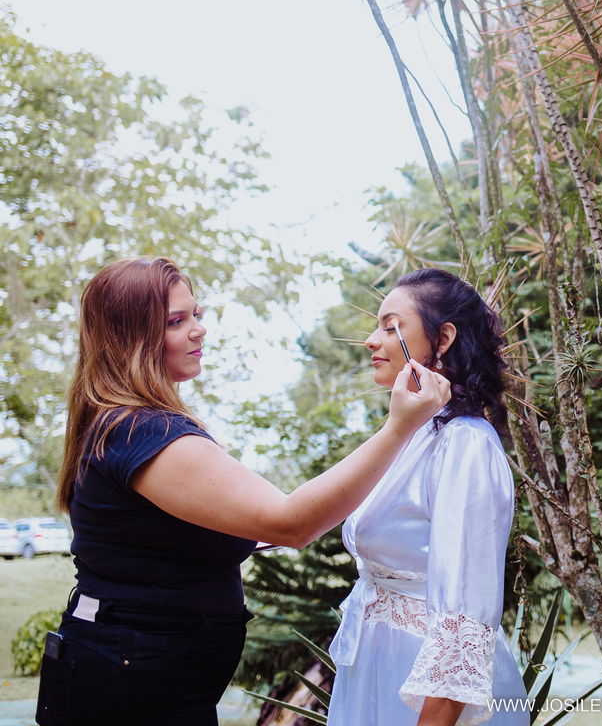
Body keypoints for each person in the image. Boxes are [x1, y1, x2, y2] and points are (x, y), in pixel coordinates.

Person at [36, 257, 450, 726]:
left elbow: (233, 524)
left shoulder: (126, 424)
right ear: (128, 338)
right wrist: (399, 428)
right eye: (176, 321)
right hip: (129, 691)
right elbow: (290, 522)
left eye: (196, 314)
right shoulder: (140, 432)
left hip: (142, 680)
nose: (199, 330)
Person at [326, 268, 526, 726]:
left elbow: (466, 610)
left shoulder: (466, 443)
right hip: (375, 667)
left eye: (389, 325)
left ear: (444, 337)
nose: (371, 341)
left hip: (427, 690)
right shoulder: (413, 435)